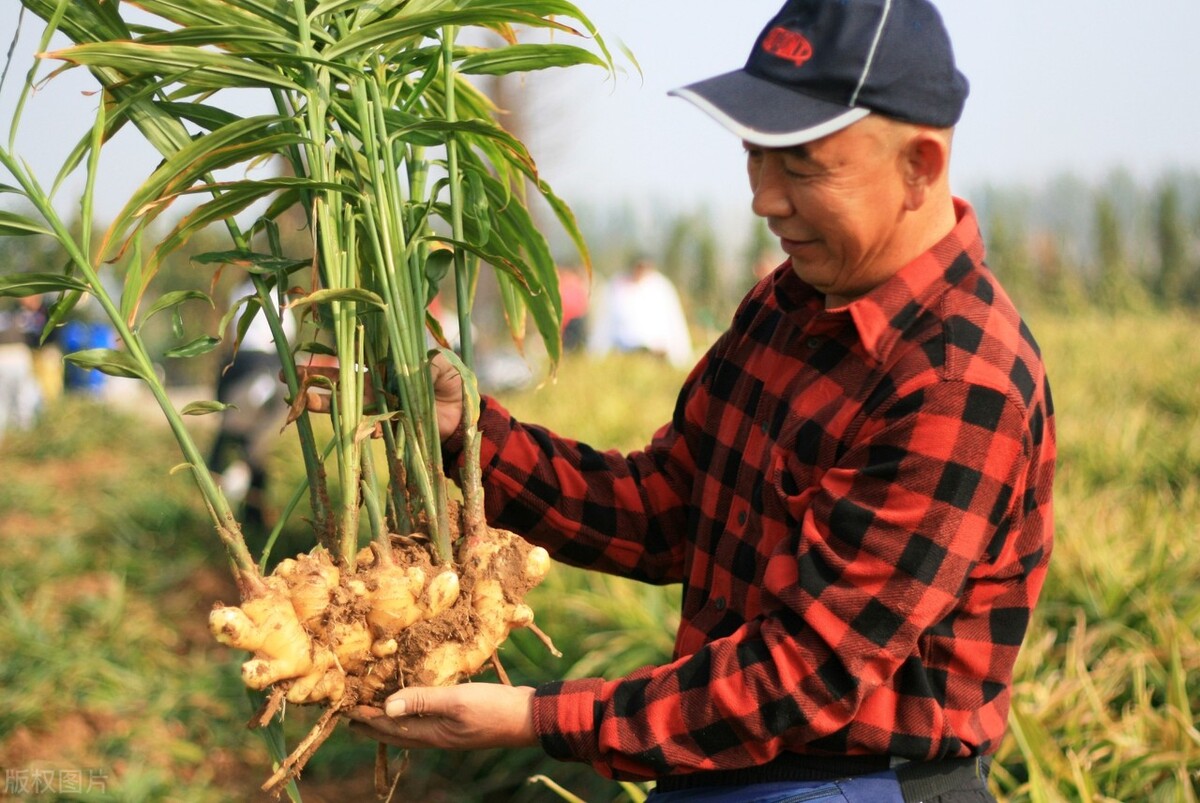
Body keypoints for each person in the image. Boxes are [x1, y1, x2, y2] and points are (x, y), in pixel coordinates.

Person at [348, 2, 1055, 801]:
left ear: (920, 166)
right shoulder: (785, 306)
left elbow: (807, 672)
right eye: (755, 156)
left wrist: (537, 717)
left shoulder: (957, 377)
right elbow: (666, 511)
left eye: (803, 167)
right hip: (727, 768)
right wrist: (465, 433)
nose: (766, 199)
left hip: (853, 783)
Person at [588, 255, 693, 368]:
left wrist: (681, 355)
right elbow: (605, 323)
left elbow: (674, 323)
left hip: (656, 353)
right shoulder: (617, 286)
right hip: (624, 353)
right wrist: (597, 352)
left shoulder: (661, 288)